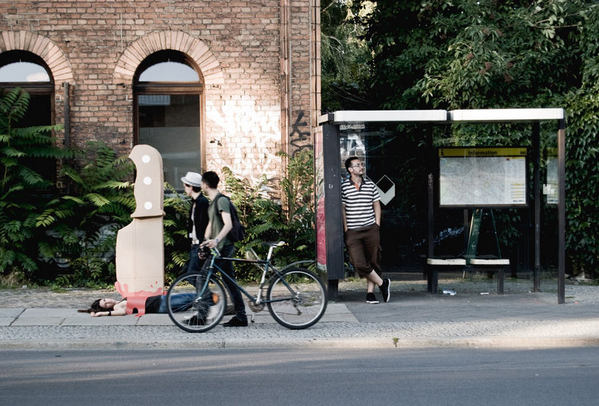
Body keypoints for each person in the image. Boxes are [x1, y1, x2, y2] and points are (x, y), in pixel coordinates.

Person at [200, 171, 248, 327]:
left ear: (205, 184)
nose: (201, 185)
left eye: (202, 183)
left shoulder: (221, 201)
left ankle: (203, 313)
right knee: (230, 282)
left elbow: (228, 224)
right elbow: (210, 226)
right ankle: (241, 316)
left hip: (224, 247)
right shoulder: (212, 202)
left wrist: (216, 240)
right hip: (218, 247)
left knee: (203, 277)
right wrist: (205, 242)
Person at [341, 156, 391, 304]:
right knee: (359, 263)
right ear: (350, 170)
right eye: (357, 165)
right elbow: (343, 209)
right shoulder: (344, 187)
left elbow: (376, 204)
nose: (361, 167)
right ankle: (383, 284)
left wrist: (377, 225)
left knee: (373, 261)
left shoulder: (370, 185)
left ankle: (370, 294)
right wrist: (346, 228)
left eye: (361, 164)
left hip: (370, 229)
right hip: (353, 231)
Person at [180, 171, 210, 275]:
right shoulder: (195, 202)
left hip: (199, 245)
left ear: (191, 186)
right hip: (194, 244)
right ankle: (206, 292)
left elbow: (203, 224)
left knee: (192, 275)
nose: (184, 188)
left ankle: (208, 292)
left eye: (185, 186)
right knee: (192, 275)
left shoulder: (202, 202)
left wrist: (203, 246)